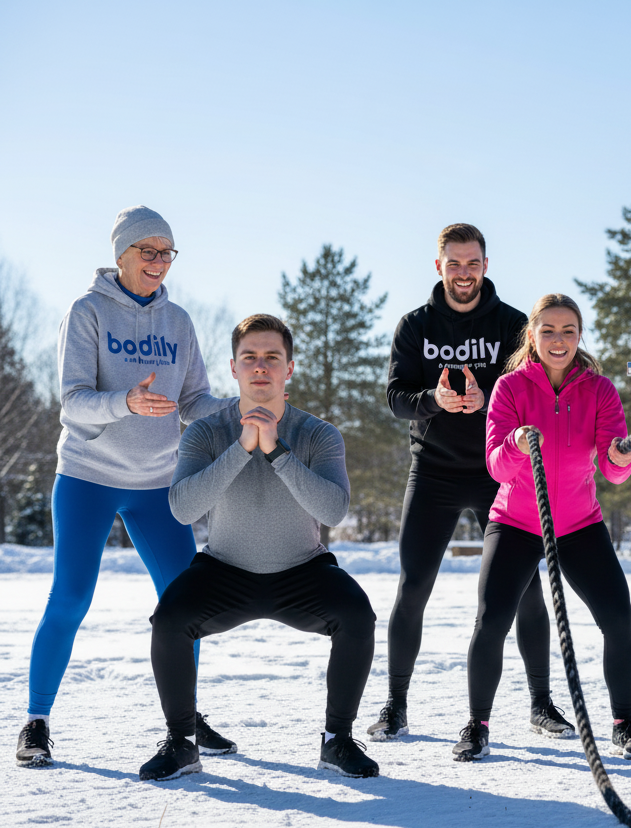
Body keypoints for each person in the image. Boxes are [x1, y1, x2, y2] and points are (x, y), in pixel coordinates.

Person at [17, 206, 236, 769]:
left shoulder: (179, 322)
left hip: (158, 483)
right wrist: (126, 402)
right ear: (122, 256)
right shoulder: (87, 311)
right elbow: (72, 402)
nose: (159, 262)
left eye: (167, 253)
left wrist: (242, 411)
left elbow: (193, 404)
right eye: (149, 251)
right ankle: (37, 721)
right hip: (89, 477)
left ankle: (185, 721)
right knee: (70, 598)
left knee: (184, 603)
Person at [138, 314, 378, 781]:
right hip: (224, 569)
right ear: (233, 367)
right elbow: (184, 508)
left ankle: (337, 741)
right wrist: (243, 447)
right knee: (169, 618)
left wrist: (278, 452)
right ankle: (183, 743)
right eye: (250, 357)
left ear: (289, 368)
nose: (261, 366)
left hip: (301, 569)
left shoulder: (319, 434)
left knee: (357, 616)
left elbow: (333, 511)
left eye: (272, 357)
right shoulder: (206, 431)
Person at [368, 224, 569, 742]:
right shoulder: (415, 326)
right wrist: (435, 400)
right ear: (439, 267)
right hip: (433, 469)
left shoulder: (511, 326)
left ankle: (541, 703)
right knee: (413, 586)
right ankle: (396, 704)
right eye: (453, 263)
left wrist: (489, 407)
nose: (463, 273)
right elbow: (395, 398)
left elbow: (534, 393)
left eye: (472, 263)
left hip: (498, 472)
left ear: (485, 264)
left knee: (524, 589)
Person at [452, 293, 631, 762]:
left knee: (618, 619)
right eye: (548, 331)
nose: (558, 340)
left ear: (579, 335)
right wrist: (519, 442)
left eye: (567, 331)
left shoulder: (599, 390)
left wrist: (621, 458)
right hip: (517, 521)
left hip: (579, 523)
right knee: (491, 621)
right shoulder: (509, 389)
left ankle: (624, 723)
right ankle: (477, 723)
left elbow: (613, 469)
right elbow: (497, 467)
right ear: (533, 336)